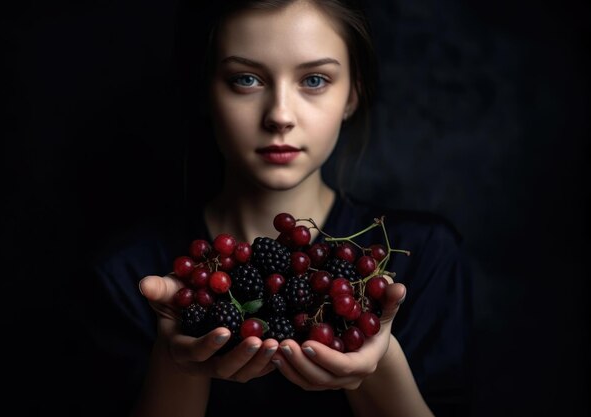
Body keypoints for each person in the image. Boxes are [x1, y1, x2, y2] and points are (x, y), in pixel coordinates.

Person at [73, 1, 472, 416]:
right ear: (205, 91)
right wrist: (176, 365)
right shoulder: (127, 276)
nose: (280, 115)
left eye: (314, 79)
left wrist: (381, 360)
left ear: (353, 93)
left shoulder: (424, 257)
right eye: (245, 79)